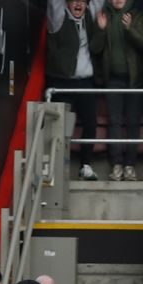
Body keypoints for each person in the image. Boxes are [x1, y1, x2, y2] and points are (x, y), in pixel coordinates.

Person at [47, 0, 106, 180]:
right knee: (59, 125)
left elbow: (98, 2)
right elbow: (53, 3)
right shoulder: (58, 18)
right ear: (67, 3)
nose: (78, 3)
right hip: (62, 82)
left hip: (86, 82)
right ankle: (55, 168)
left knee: (90, 123)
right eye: (74, 0)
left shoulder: (90, 16)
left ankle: (85, 166)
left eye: (82, 1)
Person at [91, 0, 143, 181]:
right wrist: (101, 30)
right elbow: (94, 49)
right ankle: (117, 165)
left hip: (135, 80)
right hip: (112, 79)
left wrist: (130, 29)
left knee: (133, 122)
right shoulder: (103, 15)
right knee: (114, 121)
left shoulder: (138, 16)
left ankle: (130, 166)